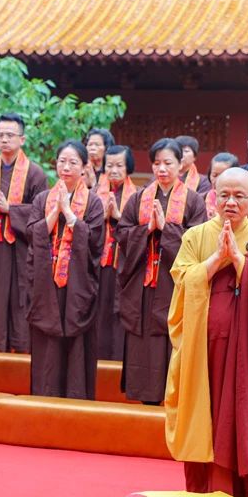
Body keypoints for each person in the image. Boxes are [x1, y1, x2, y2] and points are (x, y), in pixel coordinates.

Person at [166, 167, 248, 497]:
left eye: (239, 196)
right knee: (203, 419)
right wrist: (214, 259)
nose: (230, 202)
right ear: (213, 197)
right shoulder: (195, 236)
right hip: (201, 351)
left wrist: (239, 260)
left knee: (237, 420)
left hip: (243, 355)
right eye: (224, 194)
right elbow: (183, 280)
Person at [116, 139, 207, 404]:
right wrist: (145, 230)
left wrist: (167, 229)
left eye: (168, 163)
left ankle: (174, 396)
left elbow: (197, 242)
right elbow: (122, 233)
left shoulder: (193, 201)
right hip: (143, 284)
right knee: (142, 338)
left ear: (181, 164)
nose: (162, 169)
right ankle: (143, 395)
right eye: (157, 163)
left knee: (170, 336)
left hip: (173, 284)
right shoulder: (139, 198)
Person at [27, 140, 104, 399]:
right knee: (47, 346)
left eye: (73, 162)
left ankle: (76, 402)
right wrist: (54, 213)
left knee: (76, 347)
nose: (66, 167)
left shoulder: (93, 203)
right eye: (62, 161)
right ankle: (44, 400)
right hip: (47, 285)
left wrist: (70, 215)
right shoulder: (42, 199)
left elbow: (95, 241)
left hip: (77, 287)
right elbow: (33, 234)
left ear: (84, 167)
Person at [0, 113, 49, 352]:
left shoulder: (36, 173)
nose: (4, 140)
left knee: (19, 302)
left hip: (20, 251)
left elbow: (42, 213)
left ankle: (20, 353)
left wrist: (10, 210)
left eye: (10, 135)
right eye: (1, 135)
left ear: (22, 139)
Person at [95, 145, 137, 361]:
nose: (113, 170)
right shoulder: (95, 194)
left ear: (128, 167)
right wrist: (102, 217)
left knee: (120, 312)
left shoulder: (138, 196)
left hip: (125, 266)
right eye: (109, 165)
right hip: (99, 265)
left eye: (119, 165)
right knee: (100, 311)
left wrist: (119, 216)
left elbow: (141, 232)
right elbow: (85, 227)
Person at [204, 152, 241, 218]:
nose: (218, 180)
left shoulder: (242, 199)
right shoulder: (201, 199)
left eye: (223, 175)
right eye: (214, 175)